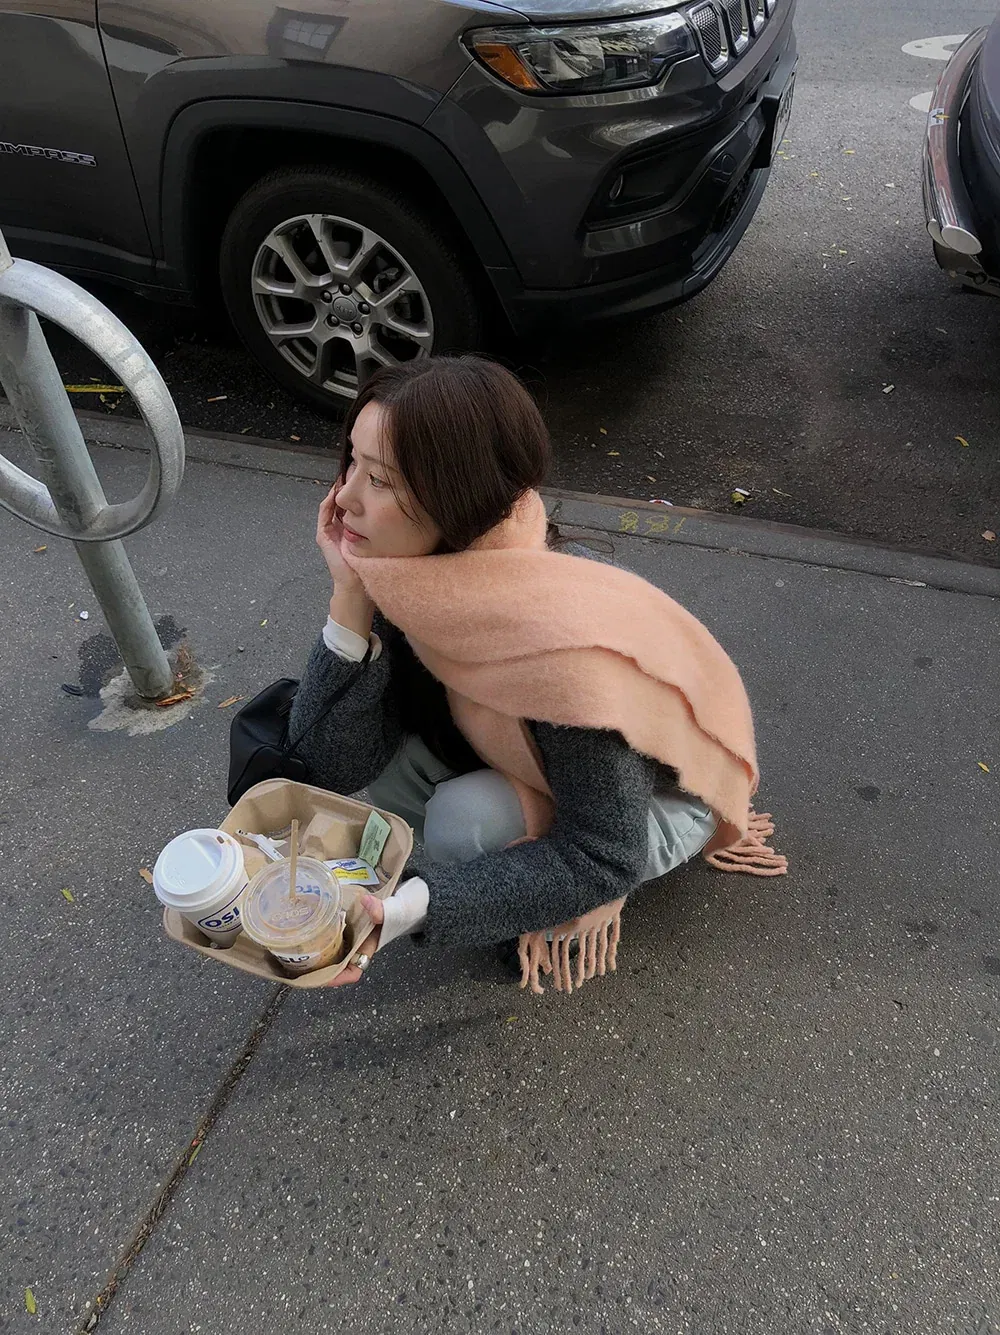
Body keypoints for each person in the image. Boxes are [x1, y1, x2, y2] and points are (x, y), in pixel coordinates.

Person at [289, 357, 784, 995]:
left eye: (380, 479)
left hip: (656, 801)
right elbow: (329, 763)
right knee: (385, 764)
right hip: (534, 762)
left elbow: (602, 851)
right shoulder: (414, 579)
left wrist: (409, 909)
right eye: (351, 462)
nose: (344, 498)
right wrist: (349, 602)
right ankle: (515, 883)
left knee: (463, 822)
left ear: (457, 498)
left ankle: (540, 910)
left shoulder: (557, 648)